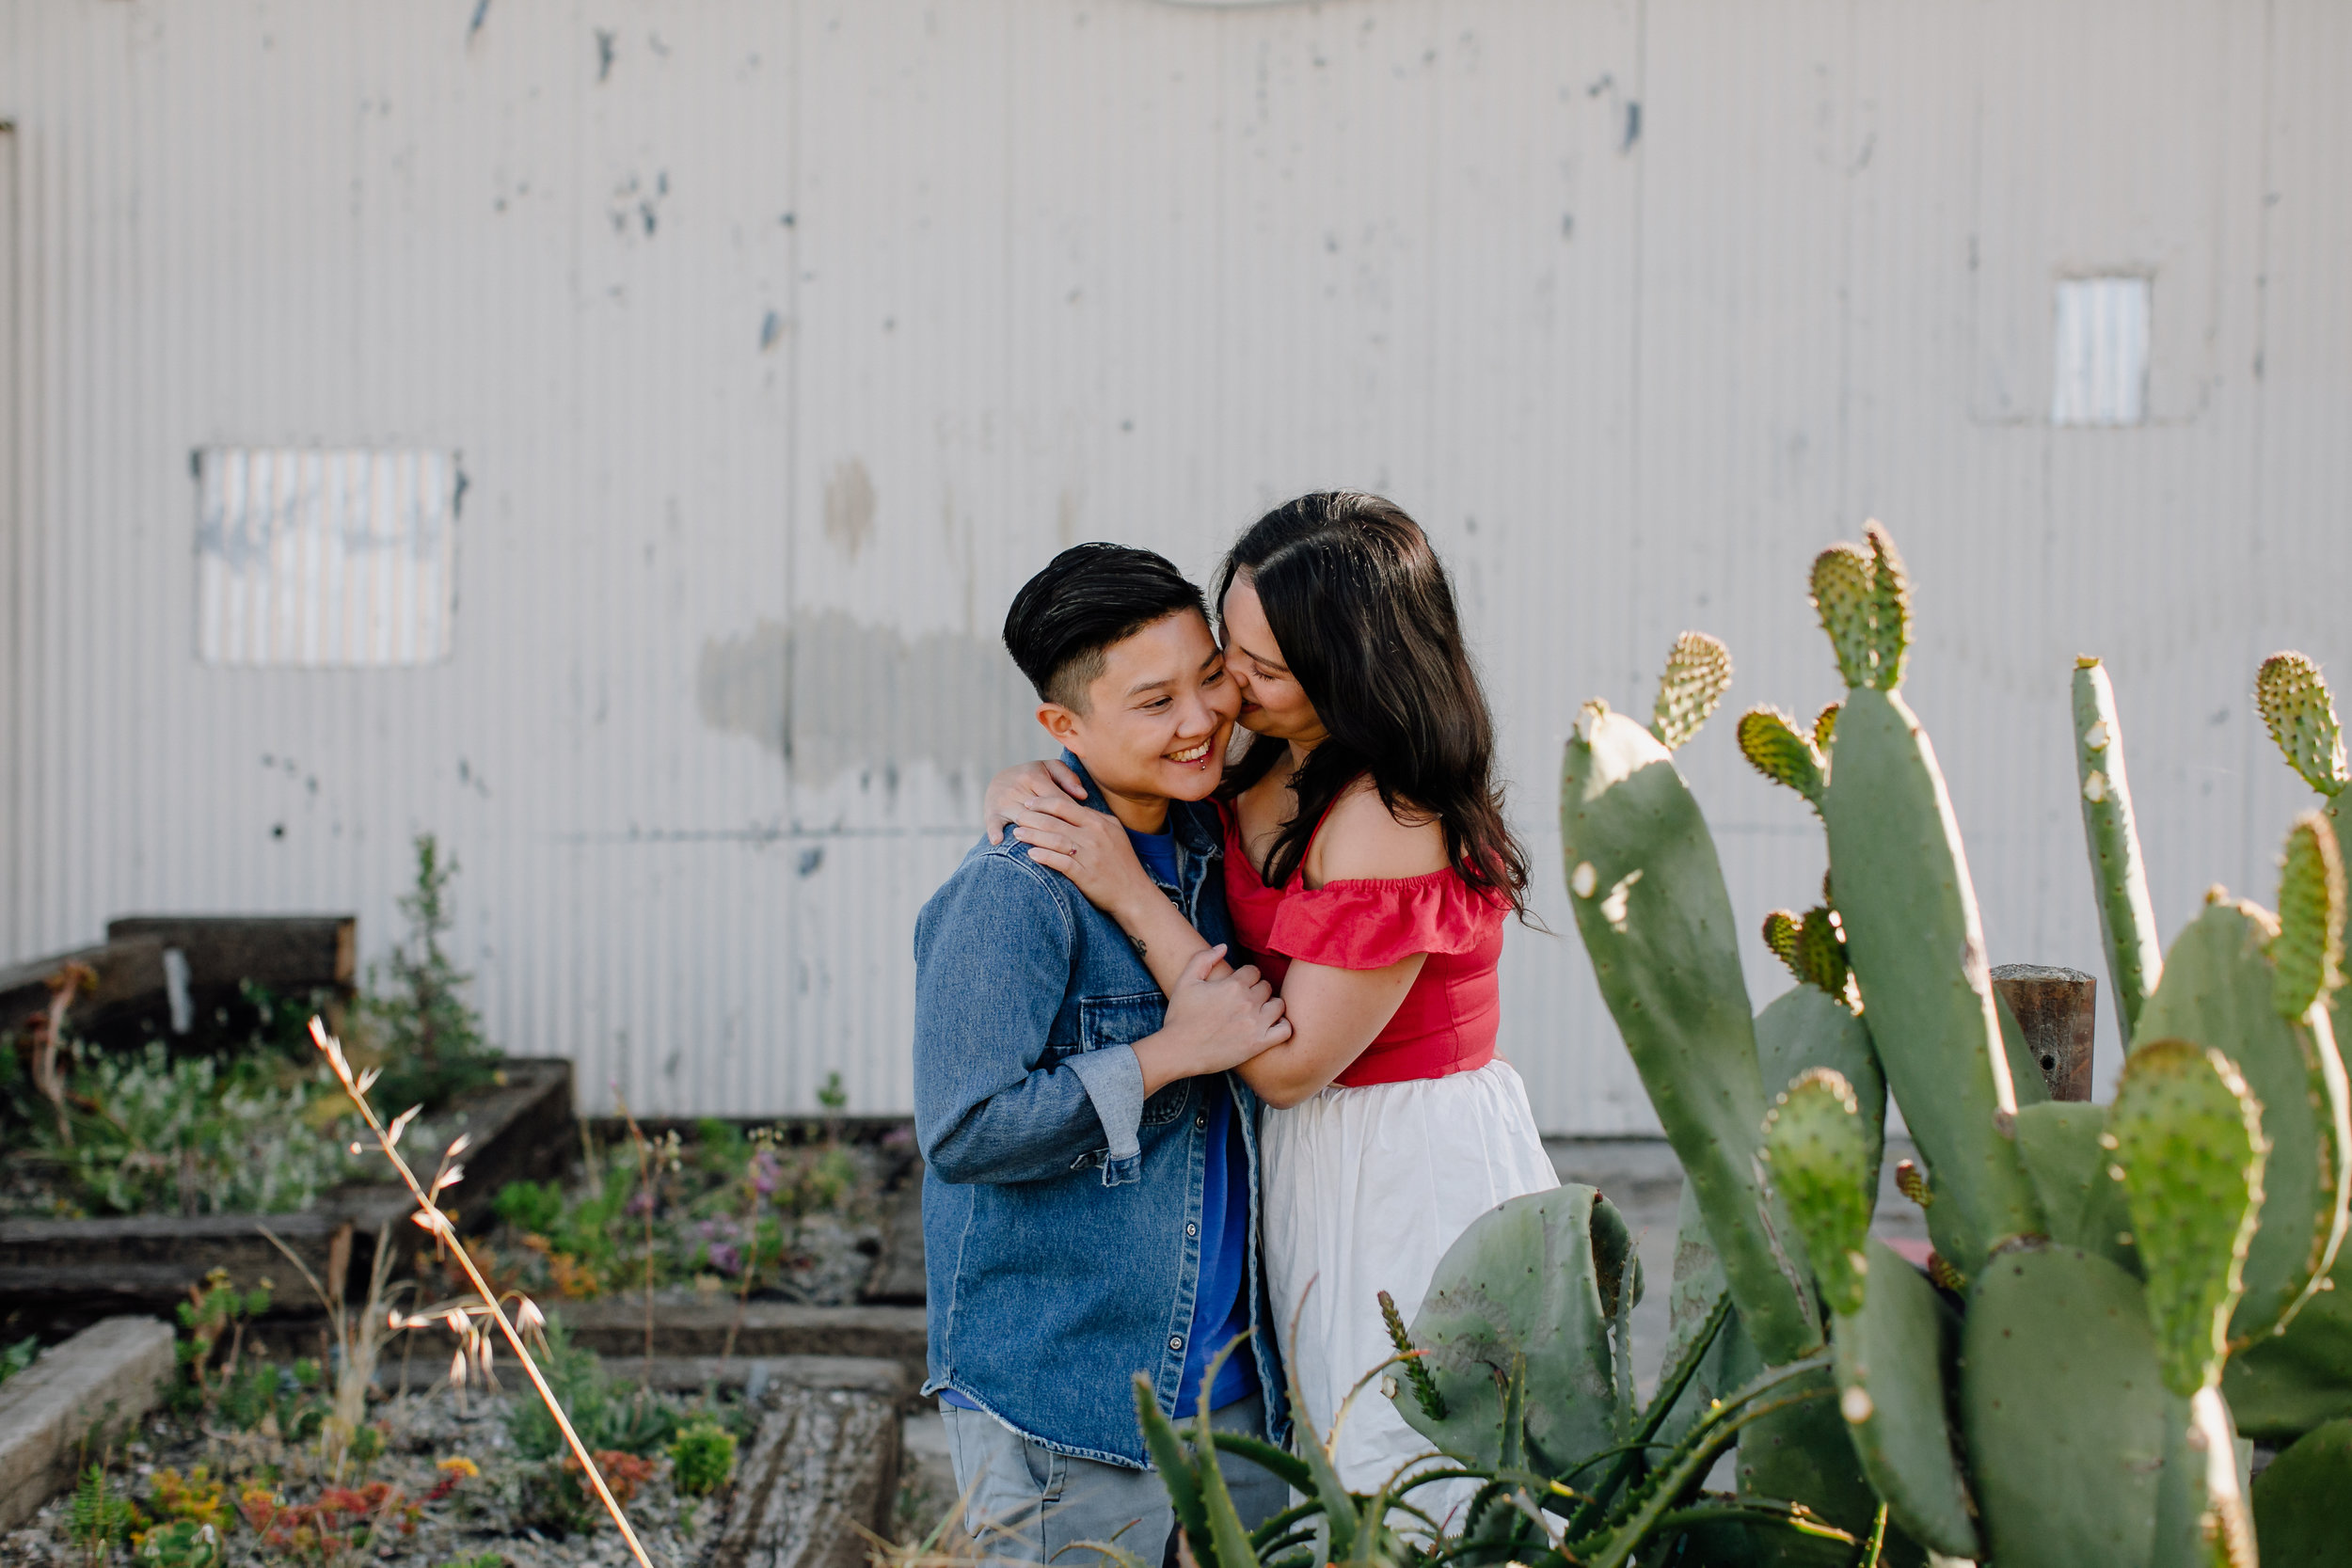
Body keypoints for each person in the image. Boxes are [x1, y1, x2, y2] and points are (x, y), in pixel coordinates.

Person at [986, 494, 1558, 1502]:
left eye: (1257, 669)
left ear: (1350, 673)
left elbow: (1290, 1067)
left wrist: (1126, 890)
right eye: (1224, 654)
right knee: (1328, 1453)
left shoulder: (1391, 813)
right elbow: (1133, 765)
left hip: (1404, 1163)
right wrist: (1034, 785)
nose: (1225, 691)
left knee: (1413, 1466)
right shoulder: (1267, 760)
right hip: (1305, 1160)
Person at [914, 543, 1294, 1567]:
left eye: (1209, 675)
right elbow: (963, 1128)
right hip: (1064, 1387)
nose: (1199, 718)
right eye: (1154, 700)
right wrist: (1167, 1054)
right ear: (1062, 729)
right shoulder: (1014, 891)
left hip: (1234, 1375)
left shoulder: (1215, 843)